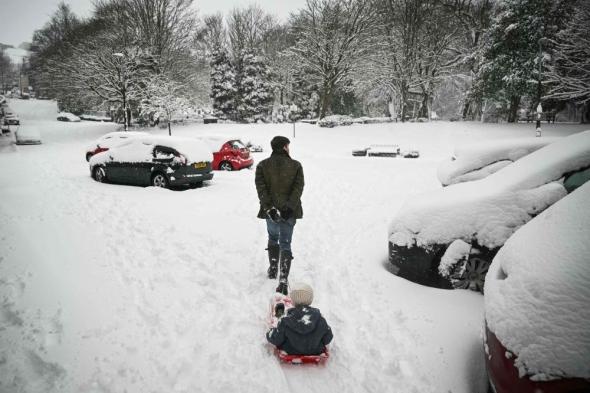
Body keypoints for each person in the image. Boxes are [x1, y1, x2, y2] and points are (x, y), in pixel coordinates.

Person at [255, 135, 304, 295]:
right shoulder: (296, 165)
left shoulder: (262, 166)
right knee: (286, 243)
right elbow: (298, 188)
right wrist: (289, 208)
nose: (289, 148)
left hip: (272, 214)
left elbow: (261, 189)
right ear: (284, 147)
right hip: (289, 213)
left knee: (273, 237)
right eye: (287, 146)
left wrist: (270, 209)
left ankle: (273, 268)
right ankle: (283, 280)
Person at [266, 283, 333, 355]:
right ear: (310, 299)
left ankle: (278, 315)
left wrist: (269, 333)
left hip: (290, 351)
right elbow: (328, 338)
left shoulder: (286, 320)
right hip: (315, 351)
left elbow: (276, 340)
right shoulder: (319, 319)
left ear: (293, 300)